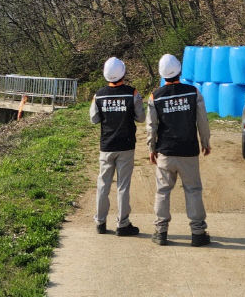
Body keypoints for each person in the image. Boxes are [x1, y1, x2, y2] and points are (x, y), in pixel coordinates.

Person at [146, 53, 211, 246]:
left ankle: (160, 232)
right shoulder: (193, 92)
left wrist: (151, 148)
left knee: (162, 191)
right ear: (180, 70)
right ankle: (198, 233)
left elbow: (152, 126)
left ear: (161, 74)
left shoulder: (155, 96)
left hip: (165, 152)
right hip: (188, 151)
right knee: (193, 190)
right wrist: (205, 142)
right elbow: (202, 120)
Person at [90, 56, 145, 236]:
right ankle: (123, 224)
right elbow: (141, 117)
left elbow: (94, 119)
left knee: (103, 184)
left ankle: (100, 222)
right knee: (123, 185)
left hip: (106, 146)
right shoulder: (132, 93)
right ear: (123, 72)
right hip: (126, 145)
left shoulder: (99, 95)